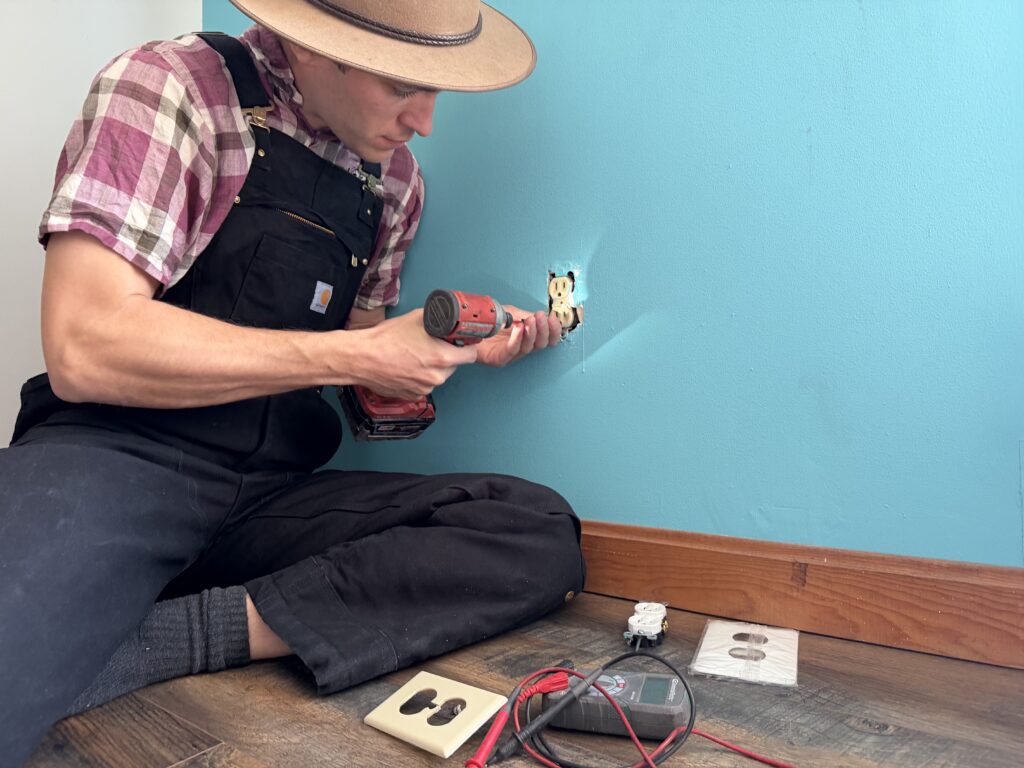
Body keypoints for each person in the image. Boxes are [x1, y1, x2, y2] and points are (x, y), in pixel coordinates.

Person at [0, 1, 585, 763]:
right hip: (114, 459)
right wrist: (355, 356)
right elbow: (85, 344)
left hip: (267, 494)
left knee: (532, 529)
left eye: (439, 89)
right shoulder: (171, 86)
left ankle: (156, 636)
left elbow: (367, 387)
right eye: (403, 85)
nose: (426, 121)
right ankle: (73, 629)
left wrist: (450, 353)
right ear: (312, 49)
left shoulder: (396, 183)